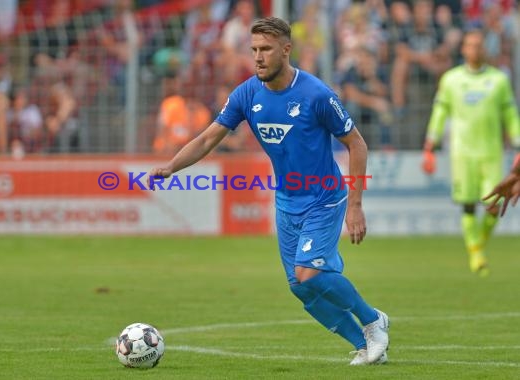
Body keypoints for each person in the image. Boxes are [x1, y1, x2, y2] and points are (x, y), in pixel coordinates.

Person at [147, 17, 389, 365]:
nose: (258, 57)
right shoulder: (247, 94)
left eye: (266, 50)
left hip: (324, 198)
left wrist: (355, 206)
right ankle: (365, 348)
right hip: (287, 201)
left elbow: (357, 144)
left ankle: (372, 321)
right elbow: (207, 138)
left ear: (286, 50)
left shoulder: (316, 94)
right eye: (254, 50)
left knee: (309, 272)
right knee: (299, 286)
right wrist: (172, 166)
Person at [422, 29, 520, 276]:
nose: (475, 49)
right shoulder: (451, 80)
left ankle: (476, 247)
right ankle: (476, 253)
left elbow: (510, 114)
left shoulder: (499, 80)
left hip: (490, 152)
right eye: (470, 45)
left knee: (494, 204)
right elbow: (440, 113)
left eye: (479, 45)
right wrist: (429, 146)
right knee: (467, 205)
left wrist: (518, 141)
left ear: (484, 49)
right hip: (462, 153)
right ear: (463, 49)